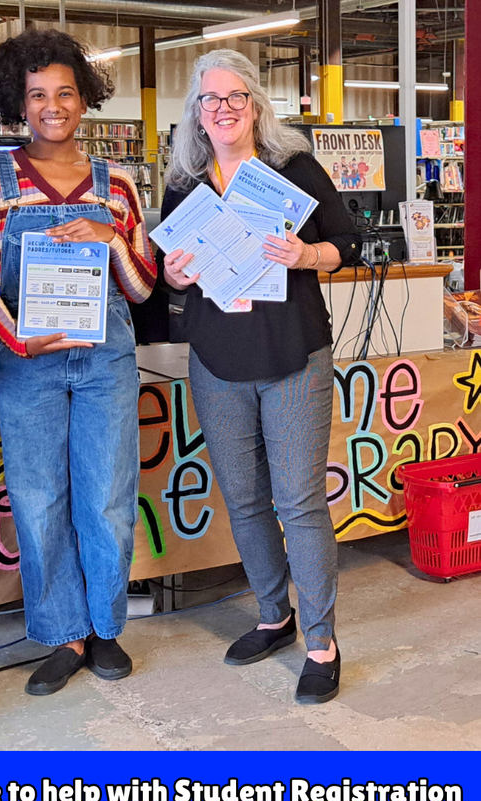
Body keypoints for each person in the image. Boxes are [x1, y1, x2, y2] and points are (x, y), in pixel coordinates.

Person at [0, 29, 156, 696]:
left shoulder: (117, 183)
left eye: (65, 92)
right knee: (40, 501)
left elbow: (142, 285)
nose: (52, 105)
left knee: (105, 501)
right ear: (17, 100)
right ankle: (63, 634)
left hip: (105, 358)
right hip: (28, 361)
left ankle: (103, 628)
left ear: (84, 98)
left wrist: (110, 237)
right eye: (37, 94)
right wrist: (18, 340)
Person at [161, 49, 361, 703]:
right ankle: (273, 617)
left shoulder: (292, 169)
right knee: (244, 501)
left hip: (292, 354)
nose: (220, 109)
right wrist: (172, 276)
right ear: (196, 111)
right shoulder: (186, 180)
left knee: (298, 502)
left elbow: (347, 242)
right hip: (217, 358)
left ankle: (321, 641)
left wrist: (307, 254)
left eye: (232, 97)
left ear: (254, 104)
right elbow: (168, 271)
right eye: (207, 100)